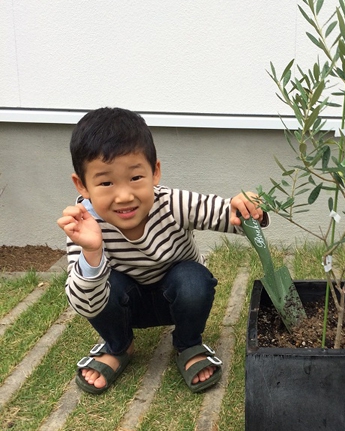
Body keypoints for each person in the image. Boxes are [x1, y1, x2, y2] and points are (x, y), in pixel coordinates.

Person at [57, 107, 264, 394]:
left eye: (135, 178)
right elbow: (85, 305)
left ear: (154, 172)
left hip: (176, 297)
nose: (124, 195)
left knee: (194, 278)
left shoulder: (172, 203)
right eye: (105, 182)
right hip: (125, 305)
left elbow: (227, 214)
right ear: (83, 185)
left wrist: (246, 207)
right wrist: (92, 253)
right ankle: (118, 345)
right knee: (105, 281)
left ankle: (188, 342)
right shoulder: (84, 226)